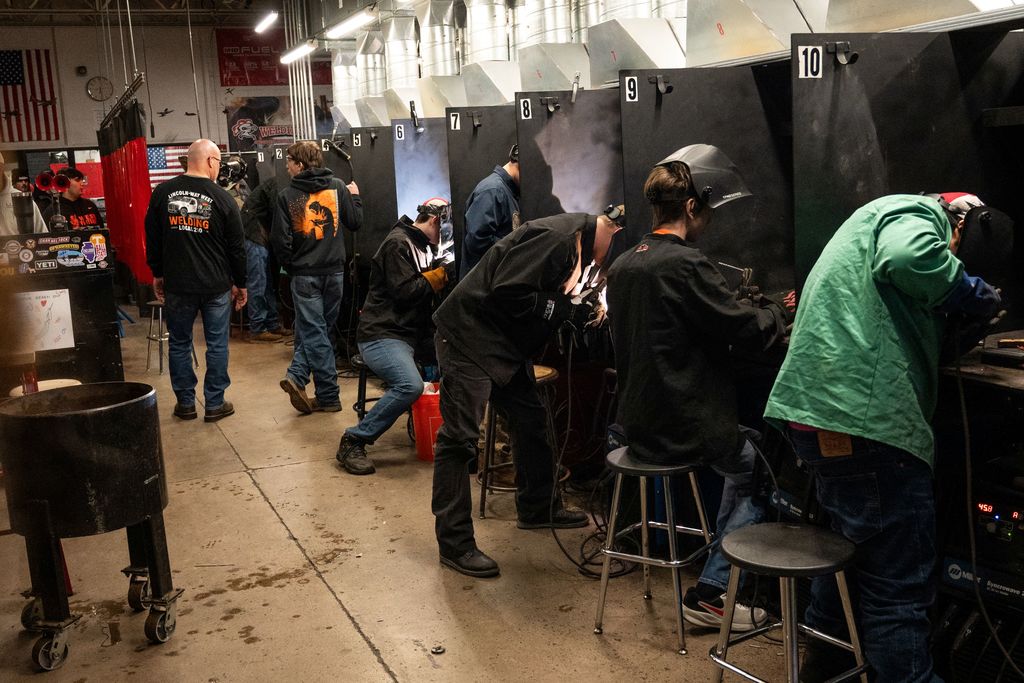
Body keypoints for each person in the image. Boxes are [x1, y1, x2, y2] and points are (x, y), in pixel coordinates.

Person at [763, 193, 1002, 682]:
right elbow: (908, 257)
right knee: (898, 593)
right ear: (961, 221)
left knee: (850, 558)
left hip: (819, 417)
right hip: (868, 423)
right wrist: (973, 291)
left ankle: (824, 671)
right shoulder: (917, 214)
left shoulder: (868, 222)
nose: (951, 257)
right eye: (954, 250)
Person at [606, 145, 788, 632]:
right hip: (682, 424)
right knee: (760, 468)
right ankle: (710, 593)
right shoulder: (686, 264)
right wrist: (777, 309)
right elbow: (745, 330)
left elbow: (678, 328)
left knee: (740, 459)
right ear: (691, 206)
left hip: (637, 424)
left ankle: (712, 573)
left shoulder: (625, 265)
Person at [431, 209, 621, 578]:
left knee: (532, 419)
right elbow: (508, 291)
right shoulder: (558, 238)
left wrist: (572, 308)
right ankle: (455, 544)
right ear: (610, 230)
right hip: (469, 338)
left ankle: (538, 507)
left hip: (503, 344)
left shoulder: (575, 244)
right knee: (458, 440)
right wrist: (563, 307)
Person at [336, 199, 453, 475]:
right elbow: (406, 292)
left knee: (455, 367)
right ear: (435, 222)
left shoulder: (423, 246)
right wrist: (441, 275)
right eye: (444, 231)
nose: (444, 240)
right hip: (382, 335)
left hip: (409, 335)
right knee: (409, 385)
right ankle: (354, 439)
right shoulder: (398, 244)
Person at [145, 139, 247, 422]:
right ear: (212, 161)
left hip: (178, 283)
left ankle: (186, 404)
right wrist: (241, 282)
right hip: (215, 285)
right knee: (216, 344)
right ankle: (214, 404)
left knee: (179, 342)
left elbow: (152, 237)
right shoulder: (224, 198)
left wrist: (157, 272)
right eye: (219, 163)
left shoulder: (162, 193)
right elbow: (237, 248)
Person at [272, 140, 361, 414]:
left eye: (289, 161)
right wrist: (355, 196)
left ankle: (323, 392)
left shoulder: (287, 195)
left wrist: (293, 265)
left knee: (314, 331)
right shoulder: (336, 187)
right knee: (318, 330)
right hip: (334, 273)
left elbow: (280, 241)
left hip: (305, 275)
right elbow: (355, 222)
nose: (286, 166)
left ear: (300, 164)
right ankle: (309, 384)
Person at [460, 144, 520, 276]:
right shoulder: (493, 190)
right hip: (483, 286)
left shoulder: (505, 191)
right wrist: (516, 251)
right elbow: (477, 240)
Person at [241, 176, 285, 342]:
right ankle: (257, 328)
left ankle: (272, 324)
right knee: (258, 283)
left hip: (260, 236)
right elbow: (278, 213)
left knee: (266, 282)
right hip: (253, 235)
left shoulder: (277, 182)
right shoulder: (277, 183)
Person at [0, 151, 46, 235]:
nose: (23, 183)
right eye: (20, 181)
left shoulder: (23, 199)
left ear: (1, 168)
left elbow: (42, 236)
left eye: (25, 181)